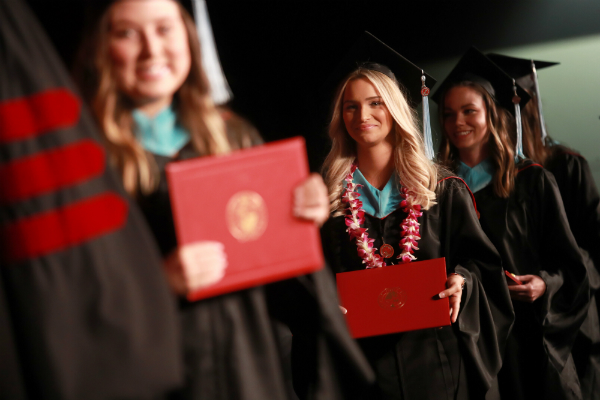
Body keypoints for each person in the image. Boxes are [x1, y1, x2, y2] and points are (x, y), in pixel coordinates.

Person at [74, 1, 373, 399]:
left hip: (248, 361)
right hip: (153, 370)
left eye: (165, 29)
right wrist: (156, 283)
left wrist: (297, 218)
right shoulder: (83, 160)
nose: (151, 50)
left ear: (189, 37)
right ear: (99, 46)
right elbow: (66, 290)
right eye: (127, 33)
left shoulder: (231, 138)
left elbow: (276, 274)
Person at [319, 33, 514, 399]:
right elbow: (312, 280)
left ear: (393, 108)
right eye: (350, 106)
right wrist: (325, 301)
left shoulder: (441, 190)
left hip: (440, 368)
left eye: (375, 102)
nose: (363, 116)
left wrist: (463, 280)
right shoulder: (328, 202)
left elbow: (480, 265)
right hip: (362, 372)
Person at [434, 48, 591, 400]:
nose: (457, 121)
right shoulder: (439, 191)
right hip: (474, 337)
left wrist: (544, 284)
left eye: (469, 110)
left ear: (491, 114)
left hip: (531, 338)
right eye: (448, 114)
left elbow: (571, 266)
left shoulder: (532, 181)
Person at [487, 53, 600, 400]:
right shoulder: (487, 179)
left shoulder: (567, 167)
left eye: (511, 108)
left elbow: (593, 248)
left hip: (569, 312)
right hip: (510, 322)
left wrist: (552, 279)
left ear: (526, 108)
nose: (504, 119)